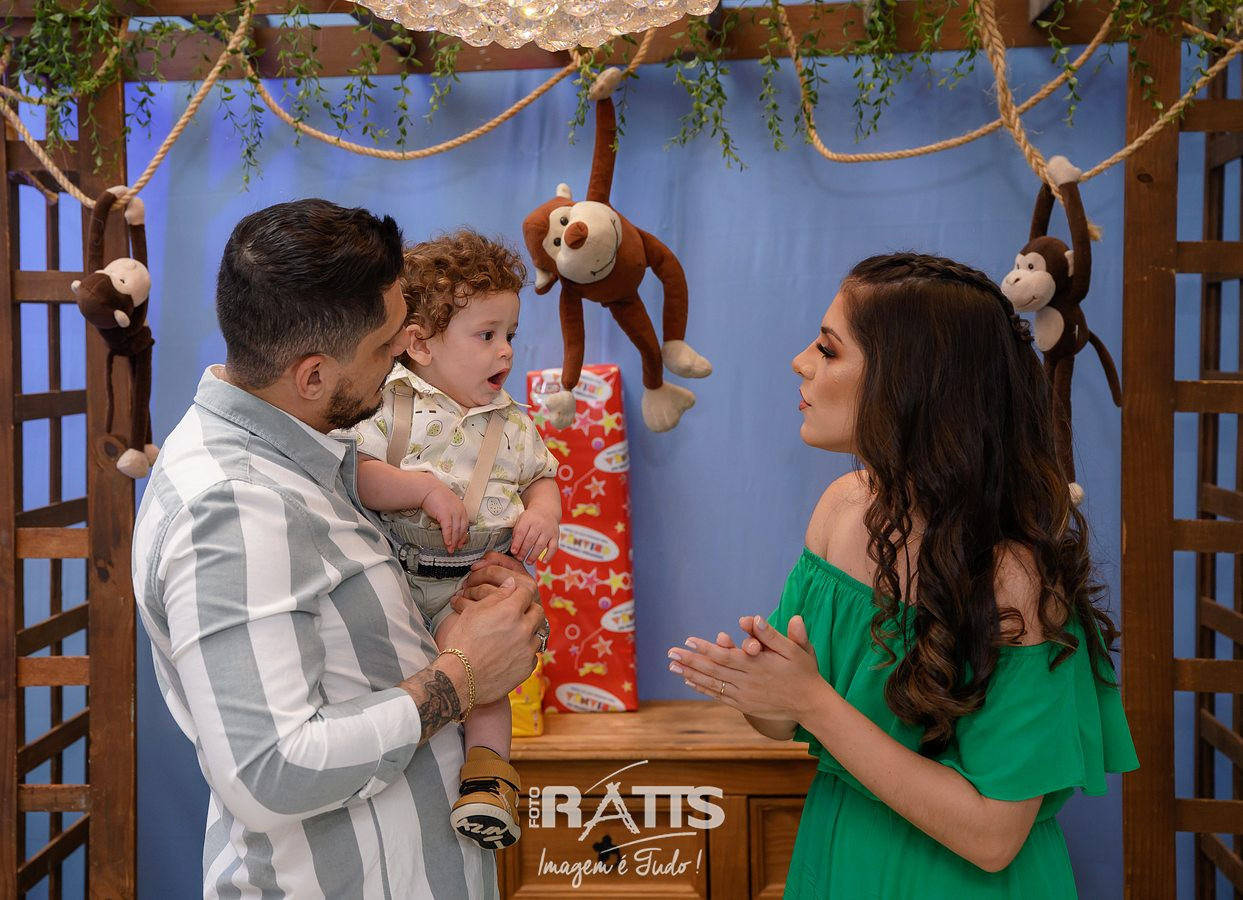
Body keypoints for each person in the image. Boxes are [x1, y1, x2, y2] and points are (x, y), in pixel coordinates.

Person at [667, 253, 1138, 898]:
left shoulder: (1014, 578)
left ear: (912, 382)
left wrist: (810, 701)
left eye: (828, 349)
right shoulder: (840, 509)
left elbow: (993, 837)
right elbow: (787, 721)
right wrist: (761, 688)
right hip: (838, 861)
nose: (801, 362)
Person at [132, 198, 547, 899]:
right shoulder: (231, 508)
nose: (402, 360)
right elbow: (272, 771)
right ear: (313, 376)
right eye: (387, 349)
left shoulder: (308, 454)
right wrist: (463, 676)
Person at [344, 230, 561, 850]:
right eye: (486, 335)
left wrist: (542, 513)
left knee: (485, 674)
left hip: (472, 582)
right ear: (420, 344)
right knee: (392, 672)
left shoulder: (513, 422)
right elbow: (357, 473)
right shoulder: (389, 402)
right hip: (398, 576)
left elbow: (543, 476)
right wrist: (421, 489)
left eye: (510, 334)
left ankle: (488, 779)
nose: (506, 351)